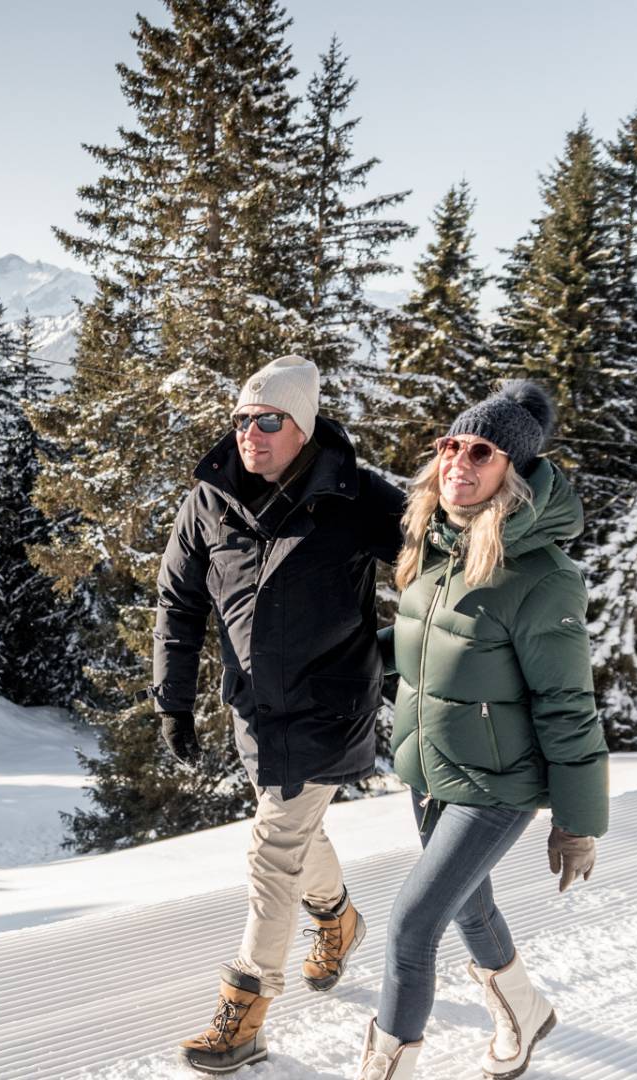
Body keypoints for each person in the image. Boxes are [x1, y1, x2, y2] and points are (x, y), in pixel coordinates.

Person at [150, 354, 404, 1075]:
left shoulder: (353, 497)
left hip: (329, 707)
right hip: (258, 711)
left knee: (272, 851)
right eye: (241, 420)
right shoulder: (209, 500)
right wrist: (171, 700)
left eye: (269, 421)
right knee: (293, 824)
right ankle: (339, 919)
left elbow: (437, 557)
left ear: (304, 428)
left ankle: (247, 1009)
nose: (250, 433)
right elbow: (179, 603)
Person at [354, 380, 608, 1080]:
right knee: (468, 904)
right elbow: (429, 647)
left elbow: (568, 703)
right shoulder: (441, 546)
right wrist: (338, 661)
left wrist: (578, 820)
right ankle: (524, 1010)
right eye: (450, 446)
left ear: (514, 473)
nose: (458, 462)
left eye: (482, 451)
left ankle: (387, 1068)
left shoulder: (541, 576)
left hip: (497, 786)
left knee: (411, 925)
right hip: (432, 768)